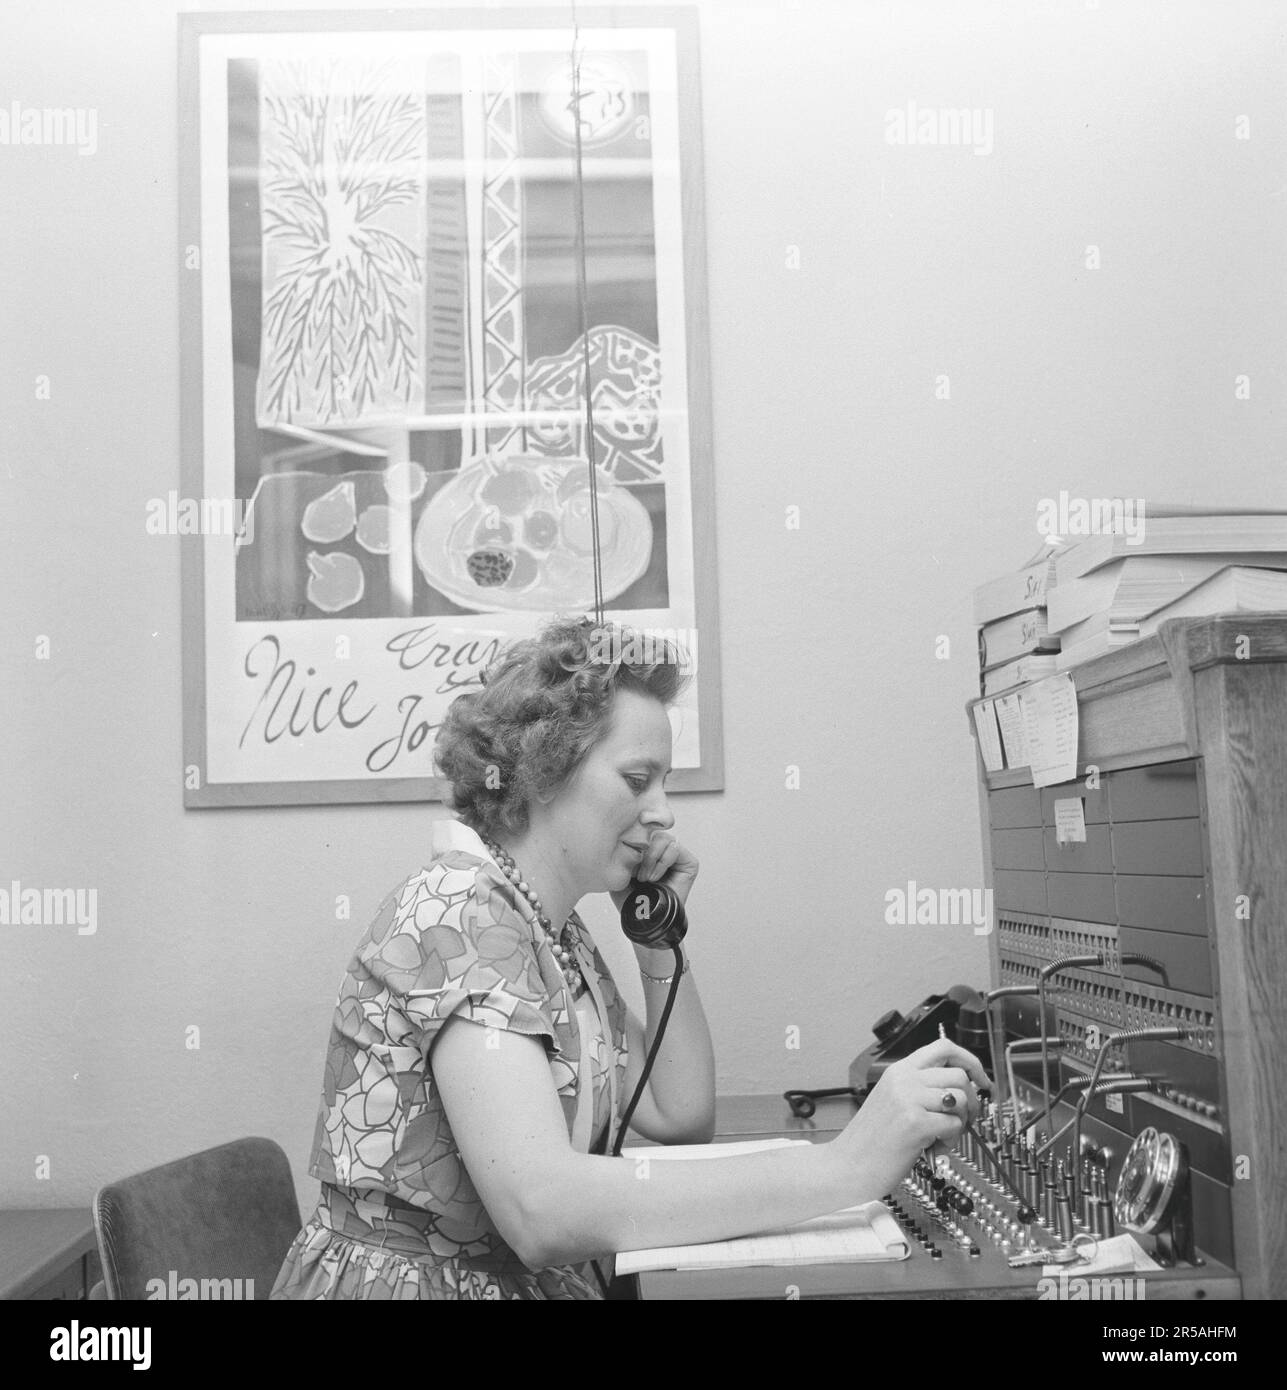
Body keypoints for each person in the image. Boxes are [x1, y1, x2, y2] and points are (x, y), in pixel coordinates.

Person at [271, 613, 988, 1299]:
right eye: (638, 779)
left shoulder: (549, 929)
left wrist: (656, 942)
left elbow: (678, 1113)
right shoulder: (459, 915)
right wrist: (845, 1167)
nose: (664, 811)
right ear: (543, 771)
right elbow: (543, 1210)